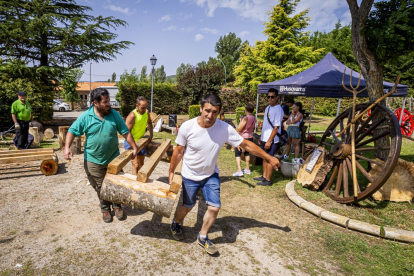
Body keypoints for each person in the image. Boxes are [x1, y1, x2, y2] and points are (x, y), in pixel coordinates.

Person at [168, 94, 280, 255]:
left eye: (214, 112)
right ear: (201, 108)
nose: (210, 115)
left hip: (210, 174)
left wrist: (269, 157)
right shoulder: (188, 126)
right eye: (207, 111)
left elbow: (246, 144)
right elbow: (178, 151)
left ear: (219, 112)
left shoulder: (224, 128)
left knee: (214, 207)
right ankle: (176, 223)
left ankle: (203, 236)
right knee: (187, 206)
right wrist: (171, 171)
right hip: (190, 174)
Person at [64, 88, 138, 223]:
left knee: (115, 184)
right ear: (95, 103)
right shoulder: (86, 117)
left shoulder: (114, 115)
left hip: (114, 158)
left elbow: (125, 132)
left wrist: (134, 147)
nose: (108, 104)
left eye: (109, 101)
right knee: (100, 187)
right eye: (105, 102)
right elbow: (72, 131)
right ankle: (105, 208)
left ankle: (117, 206)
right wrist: (67, 147)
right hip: (93, 160)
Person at [253, 88, 284, 186]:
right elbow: (265, 125)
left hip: (272, 140)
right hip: (264, 138)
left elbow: (276, 127)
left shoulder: (278, 109)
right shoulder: (268, 108)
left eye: (272, 97)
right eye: (268, 97)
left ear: (277, 98)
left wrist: (269, 141)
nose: (270, 99)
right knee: (264, 157)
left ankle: (268, 180)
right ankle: (264, 176)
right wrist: (261, 137)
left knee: (270, 158)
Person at [124, 96, 153, 175]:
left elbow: (149, 123)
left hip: (141, 141)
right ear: (137, 105)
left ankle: (139, 181)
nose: (145, 109)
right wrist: (134, 146)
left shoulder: (146, 112)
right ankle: (134, 184)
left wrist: (151, 135)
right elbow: (126, 133)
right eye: (142, 107)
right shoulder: (132, 116)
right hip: (131, 141)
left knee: (141, 165)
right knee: (135, 165)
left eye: (146, 107)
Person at [233, 103, 257, 177]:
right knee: (247, 153)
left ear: (246, 110)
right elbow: (252, 128)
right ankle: (247, 169)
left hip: (243, 137)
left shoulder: (246, 118)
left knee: (238, 153)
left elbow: (240, 128)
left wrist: (241, 120)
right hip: (250, 136)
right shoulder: (254, 118)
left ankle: (240, 171)